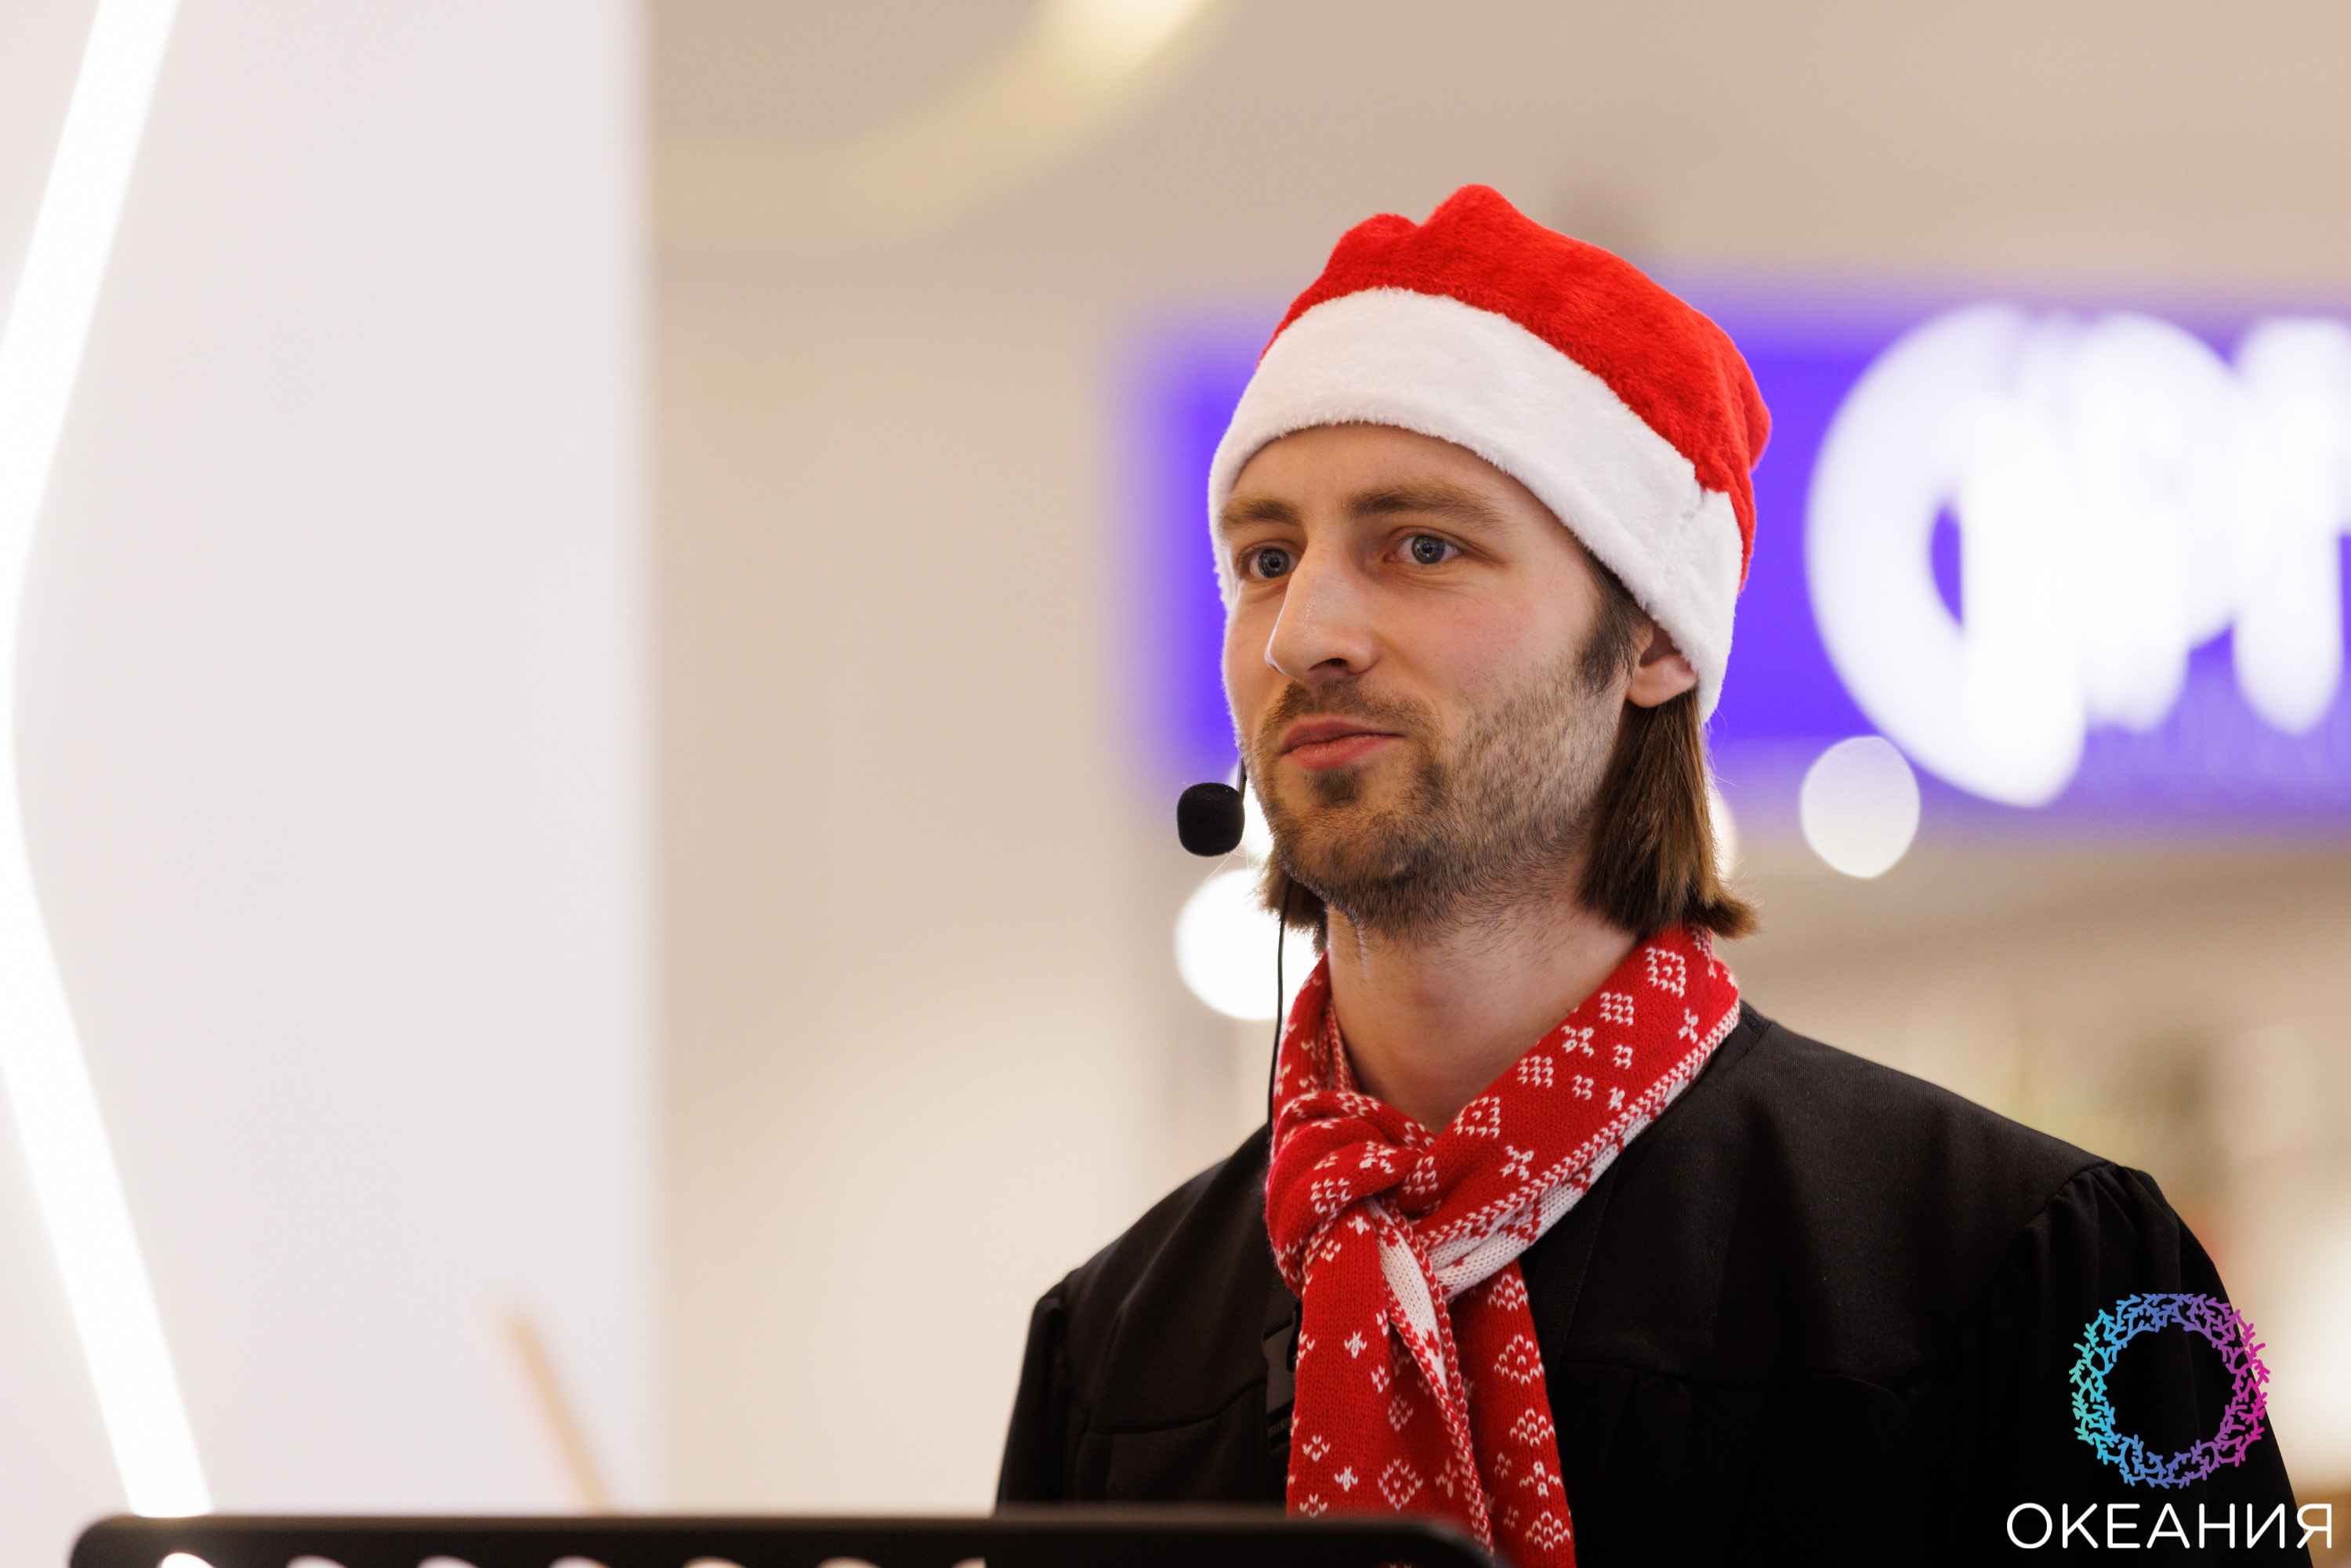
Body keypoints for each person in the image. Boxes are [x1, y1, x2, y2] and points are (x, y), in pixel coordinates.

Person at [994, 185, 2312, 1565]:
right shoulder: (1120, 1341)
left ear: (1656, 640)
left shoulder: (2037, 1264)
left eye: (1423, 545)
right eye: (1266, 558)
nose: (1302, 630)